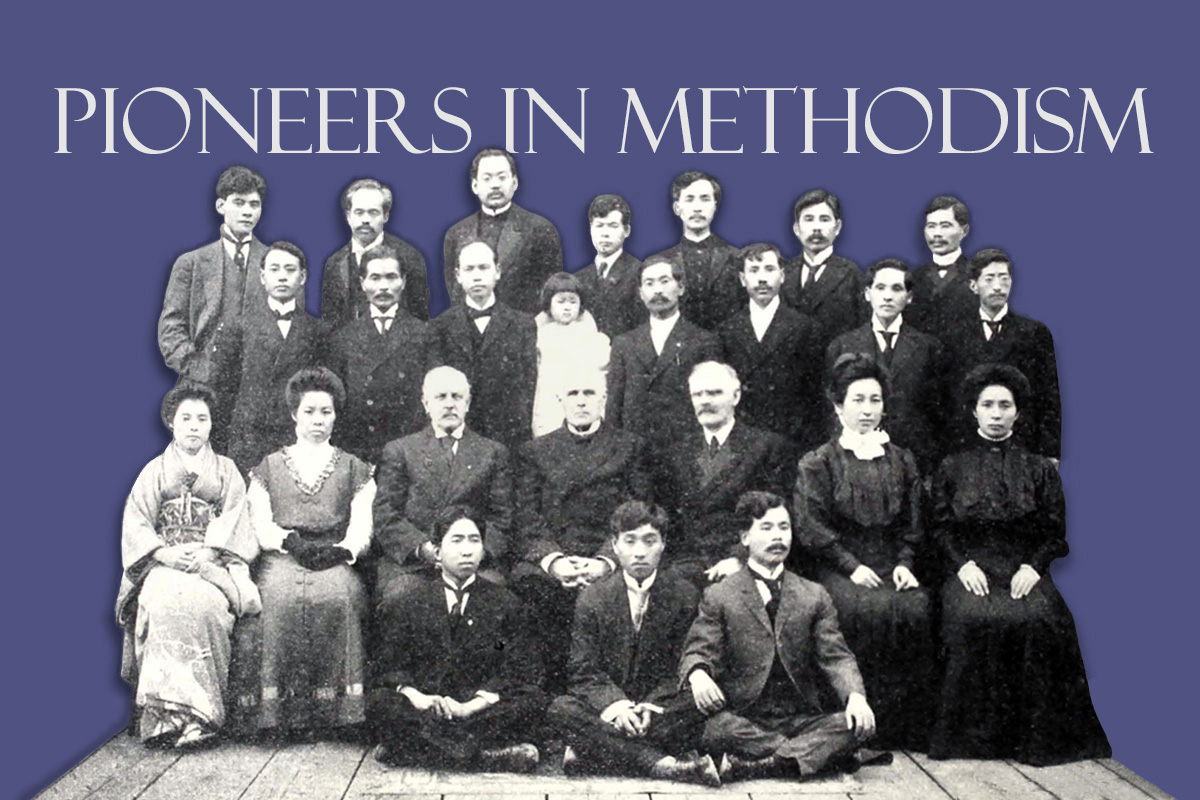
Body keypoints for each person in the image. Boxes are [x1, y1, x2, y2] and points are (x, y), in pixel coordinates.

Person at [928, 364, 1110, 765]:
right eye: (987, 405)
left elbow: (1054, 534)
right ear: (973, 411)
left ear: (1018, 412)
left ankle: (1033, 740)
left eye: (1005, 405)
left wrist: (1033, 567)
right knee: (969, 616)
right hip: (970, 566)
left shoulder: (1039, 469)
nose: (996, 413)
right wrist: (961, 566)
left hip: (1023, 567)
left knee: (1042, 618)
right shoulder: (952, 466)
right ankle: (970, 741)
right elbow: (939, 529)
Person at [679, 492, 883, 782]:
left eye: (784, 527)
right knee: (716, 729)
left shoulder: (813, 594)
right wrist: (698, 675)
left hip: (800, 718)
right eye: (766, 528)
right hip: (745, 717)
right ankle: (807, 757)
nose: (778, 537)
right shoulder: (720, 595)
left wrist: (855, 697)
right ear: (745, 538)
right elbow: (699, 647)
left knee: (852, 724)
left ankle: (760, 765)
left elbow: (836, 655)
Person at [793, 353, 935, 749]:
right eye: (857, 400)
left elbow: (913, 521)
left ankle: (903, 730)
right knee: (859, 608)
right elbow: (810, 526)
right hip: (839, 565)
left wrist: (906, 563)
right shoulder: (819, 462)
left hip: (892, 563)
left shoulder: (902, 459)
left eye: (874, 400)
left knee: (915, 607)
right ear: (838, 407)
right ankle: (854, 727)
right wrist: (851, 566)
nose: (867, 410)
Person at [118, 383, 260, 748]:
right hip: (164, 564)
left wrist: (210, 552)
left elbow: (236, 519)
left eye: (202, 418)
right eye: (186, 418)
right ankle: (165, 717)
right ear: (171, 423)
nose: (194, 426)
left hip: (209, 565)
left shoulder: (227, 471)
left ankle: (202, 717)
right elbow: (137, 523)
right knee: (163, 602)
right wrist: (163, 554)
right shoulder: (154, 471)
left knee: (207, 608)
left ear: (212, 425)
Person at [234, 367, 375, 735]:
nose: (318, 420)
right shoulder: (268, 467)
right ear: (294, 414)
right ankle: (278, 716)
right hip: (283, 555)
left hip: (333, 555)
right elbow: (261, 522)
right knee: (278, 598)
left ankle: (339, 717)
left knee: (339, 596)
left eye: (326, 412)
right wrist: (289, 542)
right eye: (309, 411)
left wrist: (341, 551)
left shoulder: (354, 468)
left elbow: (362, 525)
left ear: (336, 415)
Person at [548, 501, 717, 785]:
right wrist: (618, 707)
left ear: (663, 544)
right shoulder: (593, 597)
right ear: (614, 546)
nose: (639, 552)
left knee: (699, 703)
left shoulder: (684, 594)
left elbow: (680, 665)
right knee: (561, 708)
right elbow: (583, 670)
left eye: (650, 541)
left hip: (658, 709)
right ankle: (661, 763)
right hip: (612, 707)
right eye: (630, 541)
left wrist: (650, 706)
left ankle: (596, 753)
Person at [368, 507, 548, 772]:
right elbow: (390, 666)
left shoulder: (505, 603)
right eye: (457, 540)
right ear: (437, 552)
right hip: (429, 708)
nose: (467, 550)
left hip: (477, 710)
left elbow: (520, 669)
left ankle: (420, 750)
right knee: (379, 702)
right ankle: (484, 756)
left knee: (533, 700)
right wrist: (416, 696)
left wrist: (470, 707)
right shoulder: (409, 602)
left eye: (474, 540)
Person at [513, 368, 652, 692]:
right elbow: (526, 518)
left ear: (603, 398)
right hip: (554, 558)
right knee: (529, 587)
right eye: (573, 394)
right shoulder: (535, 451)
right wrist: (554, 559)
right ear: (560, 400)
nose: (581, 402)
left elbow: (639, 514)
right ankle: (543, 703)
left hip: (610, 556)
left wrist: (605, 561)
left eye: (589, 393)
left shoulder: (630, 447)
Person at [372, 366, 513, 598]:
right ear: (426, 404)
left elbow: (502, 518)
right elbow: (386, 514)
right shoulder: (400, 450)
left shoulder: (492, 453)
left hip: (474, 563)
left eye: (457, 397)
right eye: (441, 397)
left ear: (467, 404)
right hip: (416, 565)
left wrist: (474, 553)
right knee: (402, 595)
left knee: (490, 594)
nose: (449, 404)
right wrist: (424, 548)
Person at [158, 166, 270, 450]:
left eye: (254, 204)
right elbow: (171, 328)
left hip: (258, 388)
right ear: (221, 205)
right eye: (239, 202)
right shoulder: (192, 262)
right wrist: (197, 367)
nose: (247, 211)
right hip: (203, 386)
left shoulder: (276, 262)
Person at [655, 361, 793, 587]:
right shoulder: (676, 452)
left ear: (736, 396)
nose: (705, 401)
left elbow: (774, 516)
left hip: (745, 563)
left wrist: (740, 558)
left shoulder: (767, 447)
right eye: (697, 394)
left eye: (715, 393)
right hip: (687, 565)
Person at [826, 259, 948, 473]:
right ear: (867, 293)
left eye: (897, 288)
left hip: (913, 458)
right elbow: (831, 408)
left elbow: (937, 411)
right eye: (880, 288)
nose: (888, 296)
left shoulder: (929, 348)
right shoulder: (842, 345)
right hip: (854, 457)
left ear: (909, 297)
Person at [219, 241, 329, 475]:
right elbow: (225, 387)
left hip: (296, 435)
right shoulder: (239, 325)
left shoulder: (316, 330)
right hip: (249, 438)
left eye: (290, 270)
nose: (282, 277)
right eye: (274, 269)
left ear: (303, 277)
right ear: (262, 276)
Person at [942, 248, 1062, 460]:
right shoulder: (953, 335)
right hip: (967, 447)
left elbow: (1049, 397)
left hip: (1021, 445)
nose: (997, 286)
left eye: (1004, 278)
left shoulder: (1034, 333)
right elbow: (946, 397)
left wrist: (1049, 452)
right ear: (974, 285)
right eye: (989, 279)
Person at [718, 243, 824, 455]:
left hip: (790, 440)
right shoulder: (725, 331)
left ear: (782, 276)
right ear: (742, 279)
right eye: (754, 271)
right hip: (742, 442)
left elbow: (815, 397)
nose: (762, 279)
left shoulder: (807, 328)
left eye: (769, 269)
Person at [430, 240, 538, 450]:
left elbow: (529, 385)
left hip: (509, 435)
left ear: (497, 271)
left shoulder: (523, 324)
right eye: (469, 269)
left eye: (483, 267)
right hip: (460, 434)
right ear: (458, 275)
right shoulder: (440, 326)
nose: (477, 275)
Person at [606, 257, 722, 450]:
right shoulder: (624, 343)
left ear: (681, 288)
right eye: (649, 283)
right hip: (635, 451)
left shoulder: (703, 341)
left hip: (686, 448)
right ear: (641, 293)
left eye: (665, 281)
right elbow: (614, 407)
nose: (657, 290)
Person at [328, 247, 431, 464]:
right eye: (375, 278)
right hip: (360, 450)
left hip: (409, 450)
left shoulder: (425, 334)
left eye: (391, 277)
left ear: (403, 281)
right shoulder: (343, 338)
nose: (383, 286)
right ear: (362, 282)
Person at [442, 148, 563, 313]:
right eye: (487, 178)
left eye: (501, 177)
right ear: (475, 186)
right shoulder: (456, 233)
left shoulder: (540, 229)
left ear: (514, 183)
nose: (495, 185)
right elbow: (455, 291)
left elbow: (552, 292)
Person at [322, 178, 430, 325]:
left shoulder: (409, 257)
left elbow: (420, 318)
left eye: (373, 212)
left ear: (385, 216)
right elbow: (330, 322)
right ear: (348, 217)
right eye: (359, 212)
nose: (365, 220)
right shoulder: (334, 263)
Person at [645, 171, 742, 330]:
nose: (697, 208)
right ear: (677, 208)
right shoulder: (660, 262)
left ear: (715, 206)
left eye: (705, 199)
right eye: (689, 199)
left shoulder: (736, 257)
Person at [781, 189, 867, 346]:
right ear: (796, 229)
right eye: (809, 219)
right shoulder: (783, 273)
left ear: (838, 227)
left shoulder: (852, 274)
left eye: (824, 219)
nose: (816, 228)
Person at [531, 272, 611, 437]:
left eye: (572, 301)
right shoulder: (540, 335)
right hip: (548, 395)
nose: (567, 307)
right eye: (561, 301)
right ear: (549, 304)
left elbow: (602, 368)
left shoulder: (591, 335)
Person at [573, 194, 646, 338]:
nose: (604, 234)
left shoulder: (639, 272)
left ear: (626, 231)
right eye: (599, 226)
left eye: (613, 226)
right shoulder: (577, 277)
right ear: (590, 229)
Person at [907, 196, 976, 337]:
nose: (936, 234)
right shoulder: (914, 277)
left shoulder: (976, 276)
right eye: (931, 226)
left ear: (964, 231)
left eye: (945, 226)